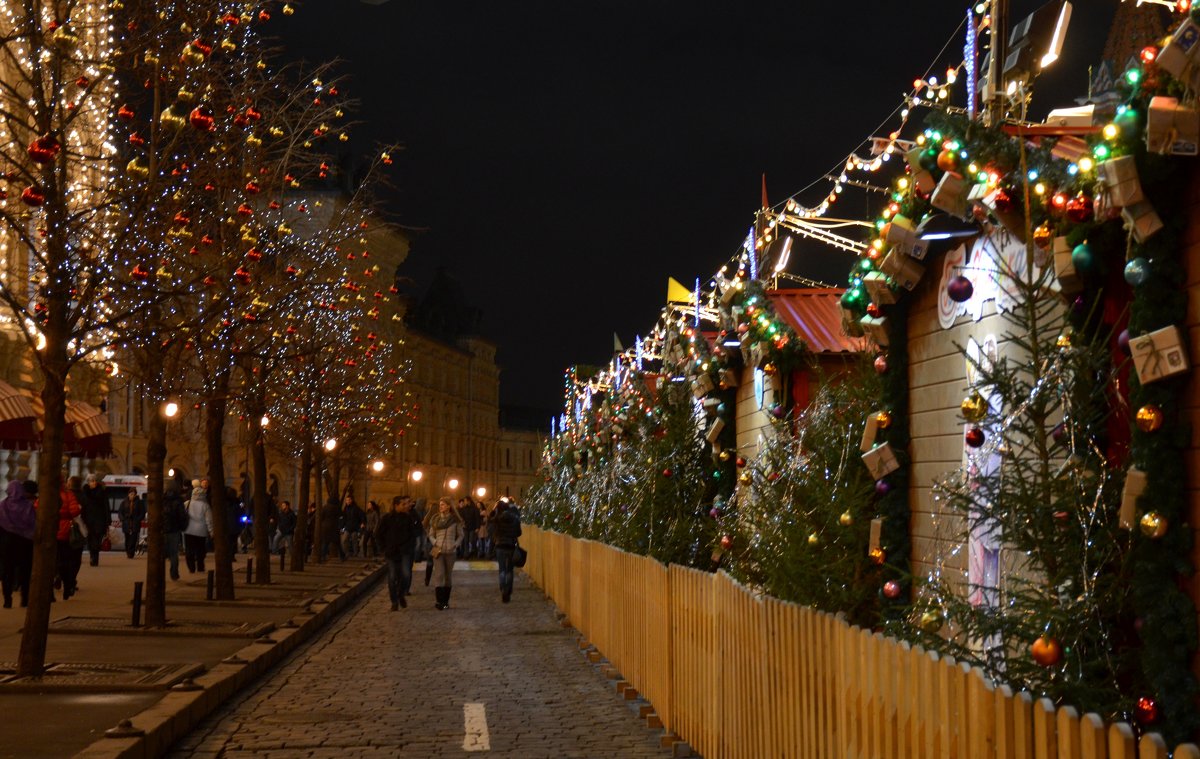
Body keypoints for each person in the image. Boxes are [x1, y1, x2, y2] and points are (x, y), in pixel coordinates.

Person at [376, 495, 419, 611]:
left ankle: (401, 594)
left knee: (406, 574)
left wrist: (410, 547)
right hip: (391, 552)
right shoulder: (387, 518)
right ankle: (394, 601)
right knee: (392, 576)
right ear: (396, 506)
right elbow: (379, 534)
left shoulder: (408, 518)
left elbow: (413, 535)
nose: (406, 506)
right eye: (403, 504)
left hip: (405, 552)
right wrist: (383, 548)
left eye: (406, 504)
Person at [0, 480, 36, 608]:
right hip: (25, 543)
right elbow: (33, 524)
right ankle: (24, 598)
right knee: (25, 571)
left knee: (7, 572)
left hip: (7, 544)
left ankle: (7, 599)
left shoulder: (2, 506)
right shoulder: (28, 506)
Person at [424, 496, 463, 610]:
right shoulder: (435, 519)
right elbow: (430, 534)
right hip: (438, 551)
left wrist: (455, 544)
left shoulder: (455, 520)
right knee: (439, 574)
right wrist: (435, 542)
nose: (440, 507)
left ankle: (446, 601)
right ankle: (439, 601)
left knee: (448, 576)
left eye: (443, 505)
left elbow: (461, 535)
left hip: (451, 551)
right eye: (440, 505)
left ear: (449, 506)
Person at [54, 479, 83, 599]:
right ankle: (67, 586)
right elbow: (75, 511)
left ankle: (57, 576)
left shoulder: (48, 494)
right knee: (67, 560)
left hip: (52, 531)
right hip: (66, 531)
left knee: (56, 560)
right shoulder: (68, 495)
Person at [493, 501, 523, 603]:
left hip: (500, 545)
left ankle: (503, 589)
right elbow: (519, 533)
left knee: (502, 569)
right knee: (509, 569)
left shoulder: (497, 518)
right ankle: (508, 591)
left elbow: (491, 528)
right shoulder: (514, 518)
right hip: (510, 545)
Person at [183, 479, 213, 574]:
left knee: (189, 549)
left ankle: (191, 567)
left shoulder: (187, 503)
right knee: (201, 549)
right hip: (201, 531)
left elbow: (182, 516)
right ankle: (200, 566)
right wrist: (211, 531)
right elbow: (209, 520)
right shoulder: (205, 505)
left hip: (189, 530)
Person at [79, 474, 108, 566]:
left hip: (99, 520)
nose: (94, 482)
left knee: (97, 540)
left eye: (95, 480)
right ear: (88, 482)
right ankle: (92, 556)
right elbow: (82, 507)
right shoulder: (84, 493)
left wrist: (108, 521)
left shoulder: (102, 492)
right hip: (88, 520)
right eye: (92, 481)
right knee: (90, 540)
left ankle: (95, 558)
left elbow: (106, 507)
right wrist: (82, 519)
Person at [163, 484, 187, 580]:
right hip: (175, 530)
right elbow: (182, 516)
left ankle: (160, 574)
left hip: (164, 530)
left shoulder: (163, 500)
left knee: (163, 553)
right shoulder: (179, 501)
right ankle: (174, 573)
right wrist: (182, 527)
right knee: (174, 553)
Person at [120, 488, 144, 559]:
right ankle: (128, 551)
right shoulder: (124, 502)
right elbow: (120, 512)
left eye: (133, 494)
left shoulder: (139, 502)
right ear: (128, 494)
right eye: (131, 494)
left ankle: (131, 553)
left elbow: (142, 513)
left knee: (133, 539)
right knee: (127, 539)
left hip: (135, 523)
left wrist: (138, 519)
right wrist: (123, 519)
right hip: (126, 523)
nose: (132, 496)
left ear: (136, 495)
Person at [319, 497, 345, 561]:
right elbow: (341, 515)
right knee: (338, 543)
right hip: (334, 527)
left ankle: (323, 556)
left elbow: (321, 517)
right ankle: (342, 556)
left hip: (325, 527)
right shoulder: (336, 508)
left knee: (325, 543)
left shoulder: (325, 507)